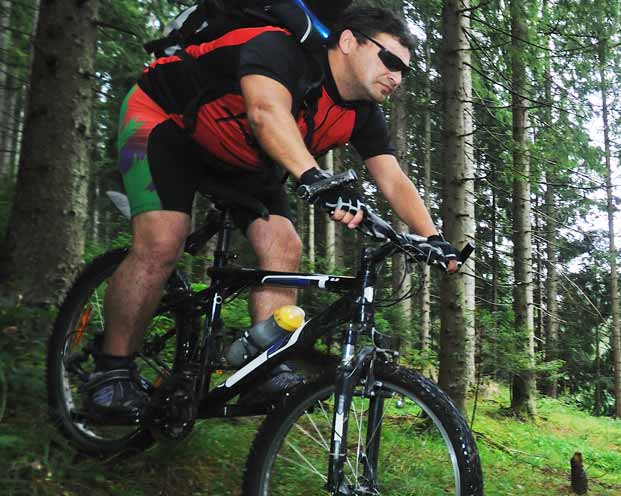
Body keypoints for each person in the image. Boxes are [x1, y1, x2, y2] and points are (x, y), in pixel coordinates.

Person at [83, 6, 456, 424]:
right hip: (168, 124)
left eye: (405, 71)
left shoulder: (362, 112)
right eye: (390, 61)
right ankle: (110, 373)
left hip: (242, 158)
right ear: (349, 41)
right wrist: (314, 177)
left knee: (283, 245)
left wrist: (432, 238)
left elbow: (392, 177)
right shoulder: (280, 49)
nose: (397, 77)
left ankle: (262, 368)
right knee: (162, 242)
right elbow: (265, 112)